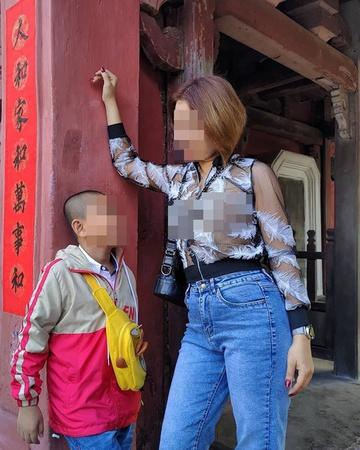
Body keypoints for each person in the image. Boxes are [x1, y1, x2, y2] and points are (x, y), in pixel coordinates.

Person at [93, 68, 314, 450]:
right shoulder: (179, 180)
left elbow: (282, 253)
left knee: (257, 440)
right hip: (199, 318)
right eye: (178, 125)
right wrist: (111, 100)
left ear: (217, 122)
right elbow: (126, 164)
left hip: (253, 309)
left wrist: (301, 334)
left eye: (189, 125)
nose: (180, 136)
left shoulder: (252, 175)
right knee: (177, 441)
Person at [11, 190, 147, 450]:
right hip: (84, 411)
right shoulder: (60, 273)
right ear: (80, 227)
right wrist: (27, 404)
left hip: (125, 407)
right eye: (107, 214)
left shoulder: (125, 274)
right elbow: (31, 337)